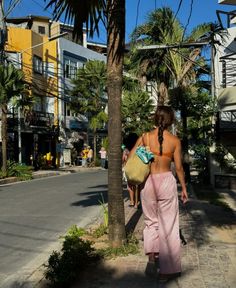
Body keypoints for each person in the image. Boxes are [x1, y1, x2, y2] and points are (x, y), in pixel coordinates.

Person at [129, 105, 188, 279]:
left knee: (151, 222)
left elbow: (131, 157)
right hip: (167, 182)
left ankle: (152, 259)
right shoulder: (175, 141)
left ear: (155, 119)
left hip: (149, 183)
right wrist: (183, 188)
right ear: (170, 121)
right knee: (168, 225)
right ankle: (167, 272)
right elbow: (178, 168)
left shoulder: (145, 137)